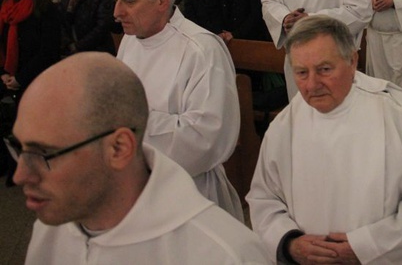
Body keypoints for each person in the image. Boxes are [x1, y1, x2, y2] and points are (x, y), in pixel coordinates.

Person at [10, 53, 270, 264]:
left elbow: (209, 136)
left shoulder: (223, 254)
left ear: (119, 148)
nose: (19, 175)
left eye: (43, 154)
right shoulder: (52, 227)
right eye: (19, 148)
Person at [248, 15, 402, 264]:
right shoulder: (284, 126)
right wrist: (289, 243)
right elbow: (264, 198)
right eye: (302, 73)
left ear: (352, 61)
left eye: (324, 69)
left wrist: (366, 246)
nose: (312, 85)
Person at [113, 0, 243, 221]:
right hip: (136, 188)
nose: (117, 12)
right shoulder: (131, 40)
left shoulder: (202, 49)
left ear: (161, 0)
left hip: (190, 194)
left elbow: (208, 139)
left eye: (128, 1)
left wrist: (126, 126)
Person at [0, 0, 61, 96]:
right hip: (8, 77)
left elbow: (48, 50)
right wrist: (3, 73)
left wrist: (20, 78)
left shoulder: (45, 9)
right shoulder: (7, 7)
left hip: (36, 79)